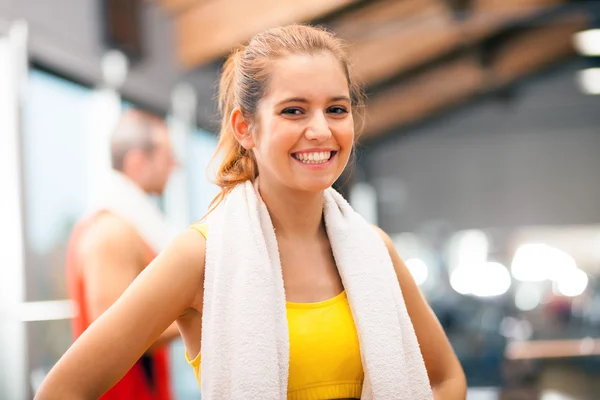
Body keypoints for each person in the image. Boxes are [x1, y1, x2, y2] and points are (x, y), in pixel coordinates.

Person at [36, 25, 466, 399]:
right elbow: (63, 390)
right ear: (245, 128)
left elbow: (446, 379)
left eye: (336, 109)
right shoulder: (200, 256)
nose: (320, 130)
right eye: (293, 110)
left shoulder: (376, 249)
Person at [62, 109, 180, 400]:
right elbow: (114, 336)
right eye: (167, 157)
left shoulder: (130, 227)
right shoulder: (112, 232)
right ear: (137, 161)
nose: (176, 165)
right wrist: (206, 309)